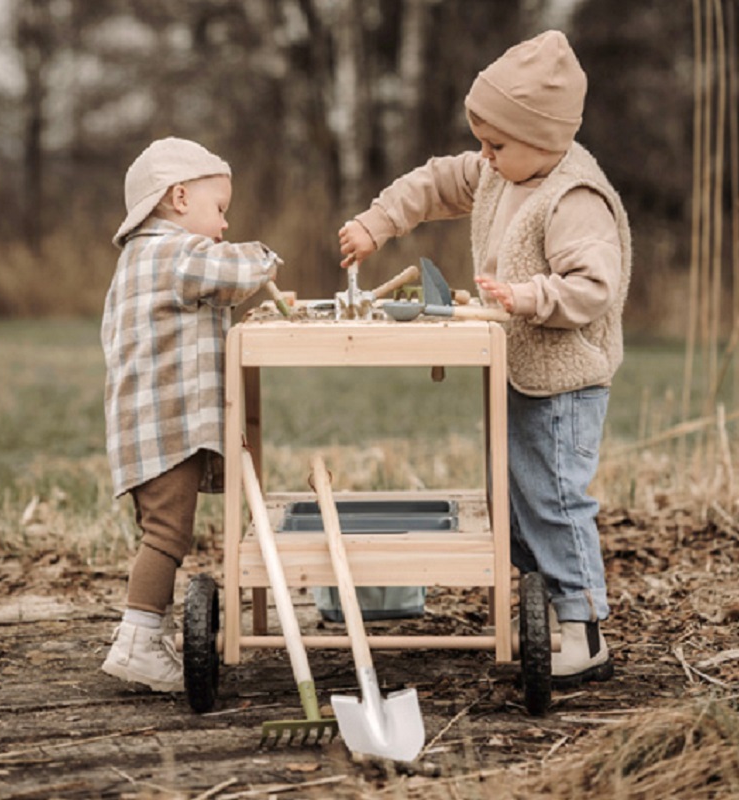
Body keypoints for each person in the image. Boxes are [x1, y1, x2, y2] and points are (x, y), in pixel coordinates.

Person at [338, 31, 631, 688]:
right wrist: (379, 222)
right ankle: (540, 609)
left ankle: (584, 632)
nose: (484, 157)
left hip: (564, 381)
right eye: (482, 142)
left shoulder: (573, 196)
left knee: (554, 497)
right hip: (518, 371)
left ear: (545, 139)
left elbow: (595, 285)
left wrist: (530, 296)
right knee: (516, 497)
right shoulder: (504, 171)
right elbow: (437, 182)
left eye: (496, 144)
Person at [101, 137, 282, 691]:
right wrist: (266, 260)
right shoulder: (171, 252)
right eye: (220, 209)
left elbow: (208, 301)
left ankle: (145, 633)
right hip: (165, 428)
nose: (225, 224)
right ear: (179, 198)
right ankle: (137, 638)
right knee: (166, 536)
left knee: (164, 532)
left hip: (152, 426)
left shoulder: (148, 258)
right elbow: (229, 270)